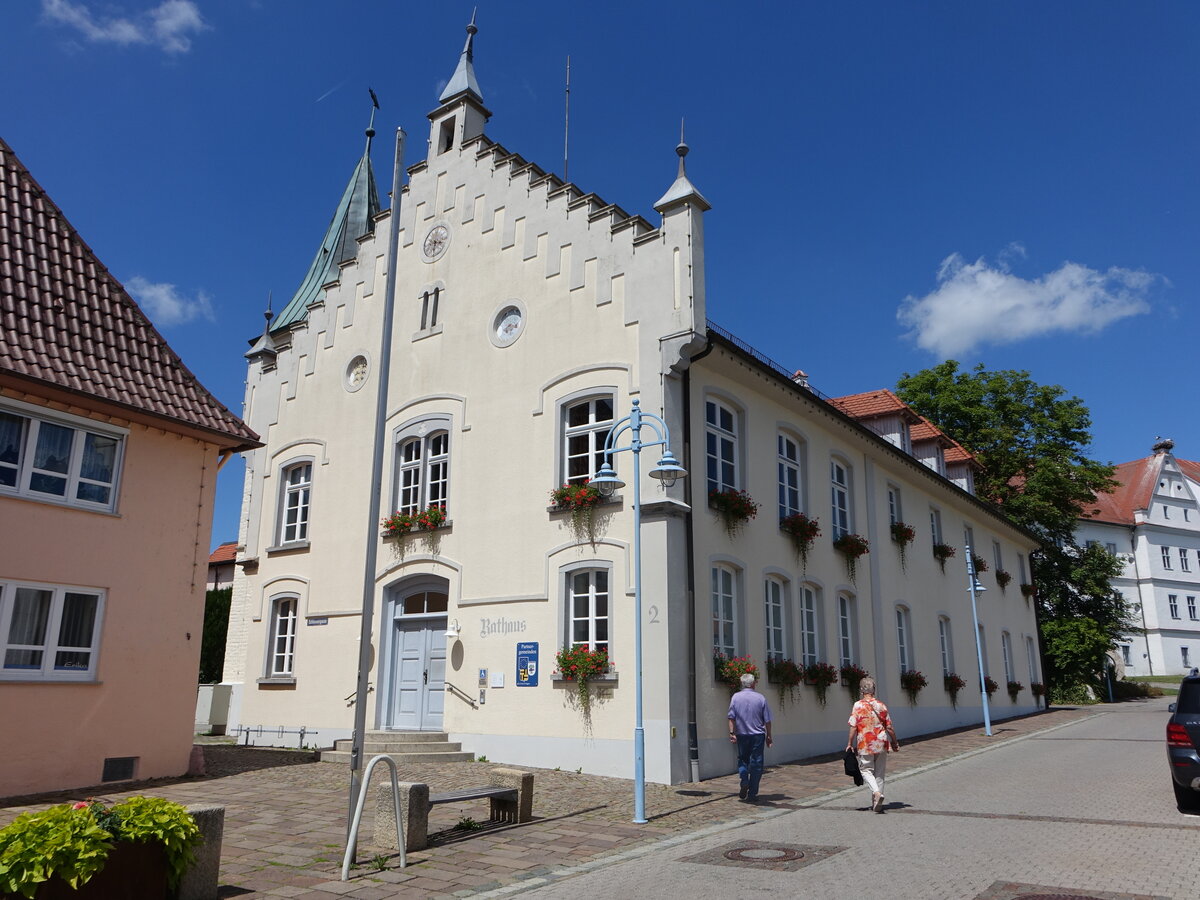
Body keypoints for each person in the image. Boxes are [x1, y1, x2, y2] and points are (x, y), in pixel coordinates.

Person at [845, 676, 899, 813]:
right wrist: (894, 741)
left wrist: (849, 743)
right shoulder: (881, 705)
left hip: (865, 743)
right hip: (881, 742)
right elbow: (890, 727)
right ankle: (877, 803)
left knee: (866, 770)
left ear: (861, 690)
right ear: (873, 689)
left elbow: (853, 726)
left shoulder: (858, 705)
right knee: (879, 773)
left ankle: (876, 793)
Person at [727, 672, 773, 802]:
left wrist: (732, 733)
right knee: (757, 763)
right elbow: (767, 720)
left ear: (742, 684)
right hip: (758, 735)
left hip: (742, 734)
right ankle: (752, 793)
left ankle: (744, 781)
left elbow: (731, 717)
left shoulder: (735, 697)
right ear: (753, 684)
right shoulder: (760, 698)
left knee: (742, 760)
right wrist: (769, 736)